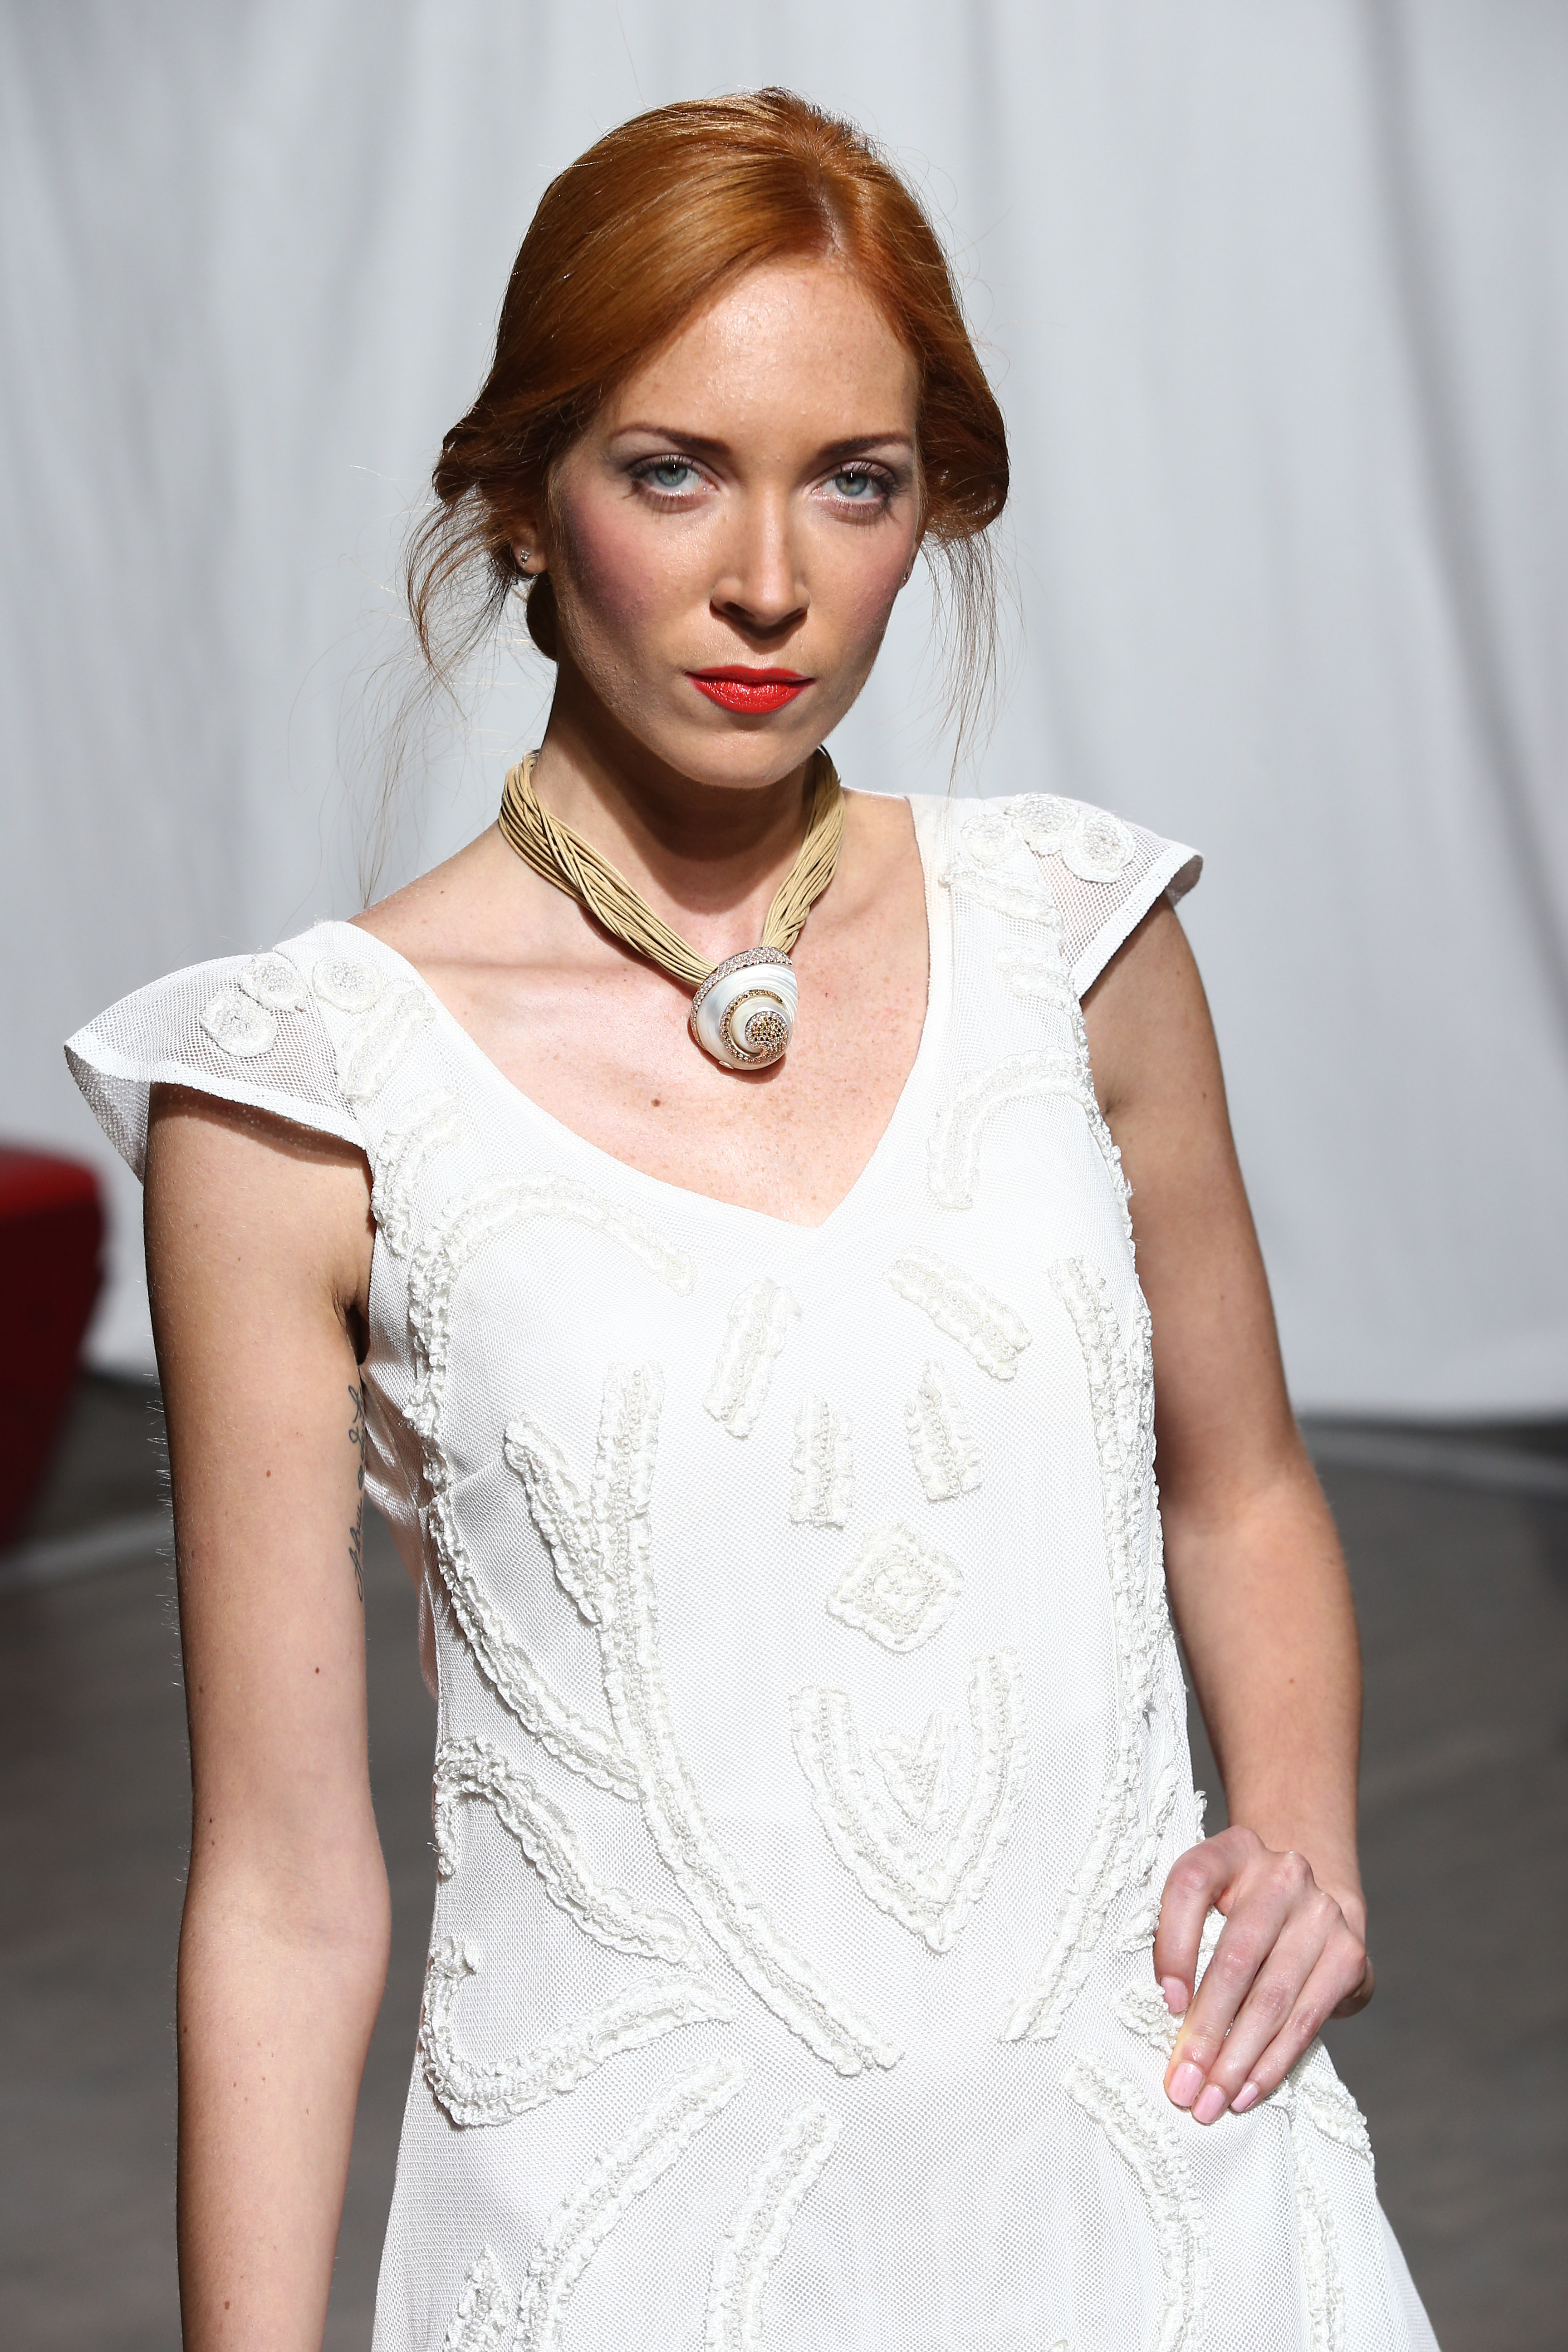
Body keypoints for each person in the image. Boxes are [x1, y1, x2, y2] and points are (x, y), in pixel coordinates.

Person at [66, 88, 1437, 2352]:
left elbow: (1244, 1485)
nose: (774, 582)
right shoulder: (300, 1099)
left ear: (935, 504)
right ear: (523, 498)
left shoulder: (1074, 943)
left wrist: (1305, 1845)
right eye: (674, 470)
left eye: (857, 481)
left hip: (1180, 2209)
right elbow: (290, 1894)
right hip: (630, 2262)